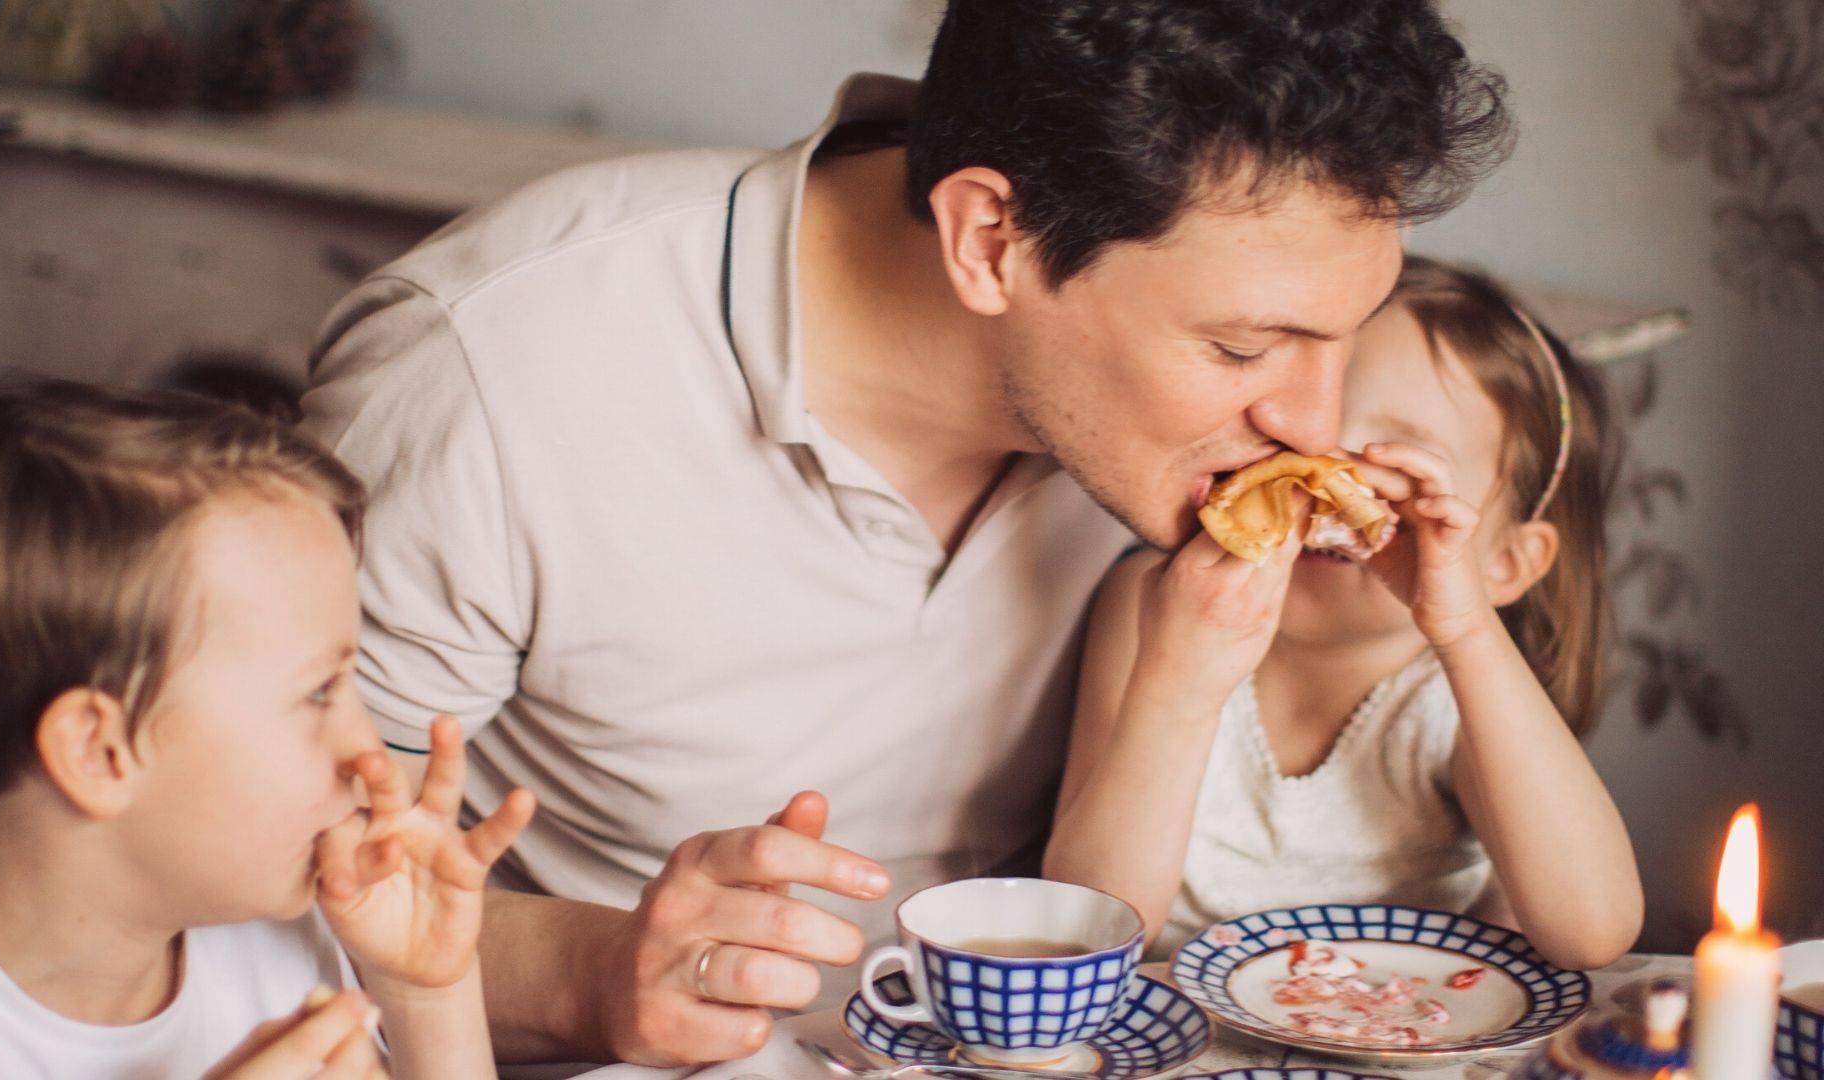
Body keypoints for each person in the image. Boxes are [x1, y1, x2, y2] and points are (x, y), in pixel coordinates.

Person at [301, 0, 1513, 1062]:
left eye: (1346, 329)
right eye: (1243, 348)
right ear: (990, 238)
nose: (1313, 417)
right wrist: (592, 975)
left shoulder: (1195, 435)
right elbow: (266, 897)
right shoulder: (492, 369)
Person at [0, 382, 534, 1077]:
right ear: (99, 752)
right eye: (319, 692)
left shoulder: (277, 923)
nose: (371, 755)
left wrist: (427, 995)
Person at [1044, 257, 1644, 970]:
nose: (1328, 484)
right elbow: (1086, 934)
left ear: (1503, 564)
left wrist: (1467, 629)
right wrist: (1178, 685)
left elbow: (1595, 931)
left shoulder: (1458, 694)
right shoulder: (1160, 605)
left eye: (1395, 465)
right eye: (1307, 442)